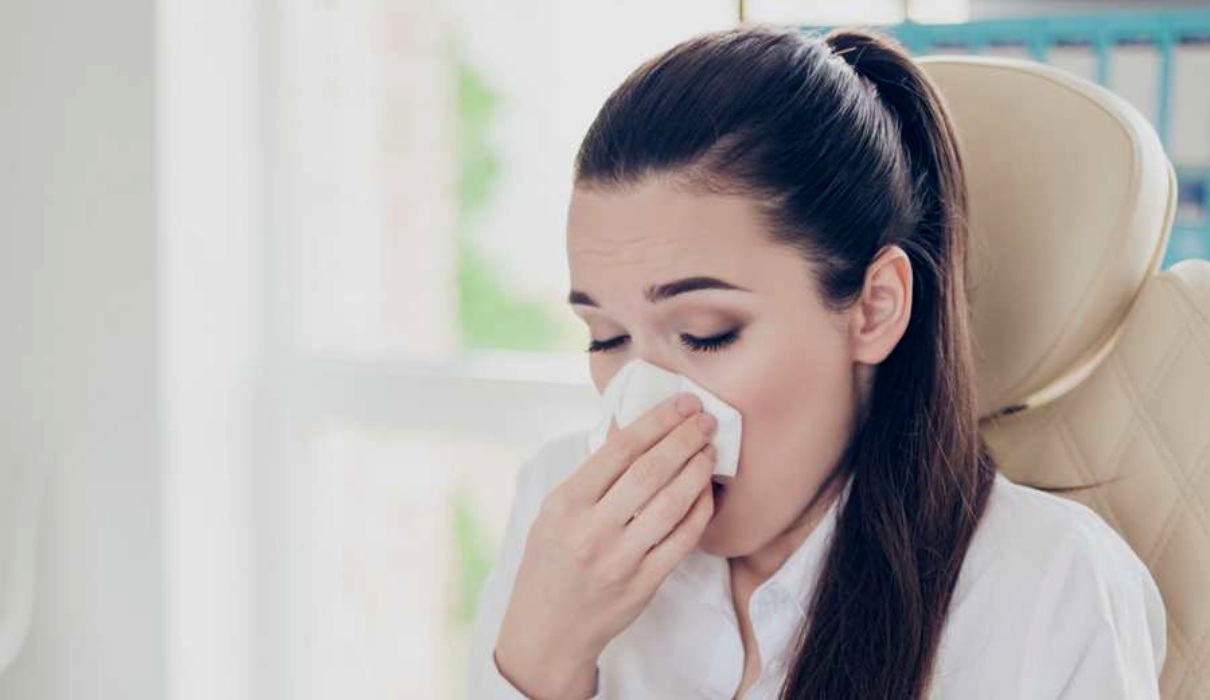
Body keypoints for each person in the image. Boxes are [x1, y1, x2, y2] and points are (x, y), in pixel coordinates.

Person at [465, 24, 1166, 700]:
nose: (638, 406)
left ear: (874, 308)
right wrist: (541, 656)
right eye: (605, 339)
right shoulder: (556, 518)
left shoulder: (1048, 589)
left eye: (708, 333)